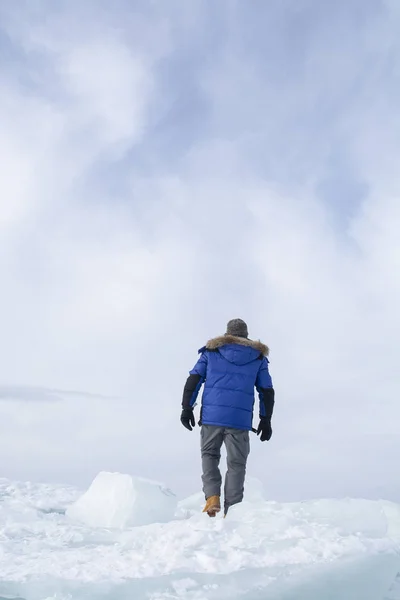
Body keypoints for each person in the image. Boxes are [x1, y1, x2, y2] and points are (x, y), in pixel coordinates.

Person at [180, 318, 275, 517]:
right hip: (239, 421)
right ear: (246, 336)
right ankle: (232, 511)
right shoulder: (258, 358)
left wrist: (187, 408)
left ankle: (212, 497)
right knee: (236, 464)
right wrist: (265, 419)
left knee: (209, 456)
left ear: (227, 334)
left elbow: (194, 379)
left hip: (212, 417)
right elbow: (266, 391)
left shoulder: (211, 352)